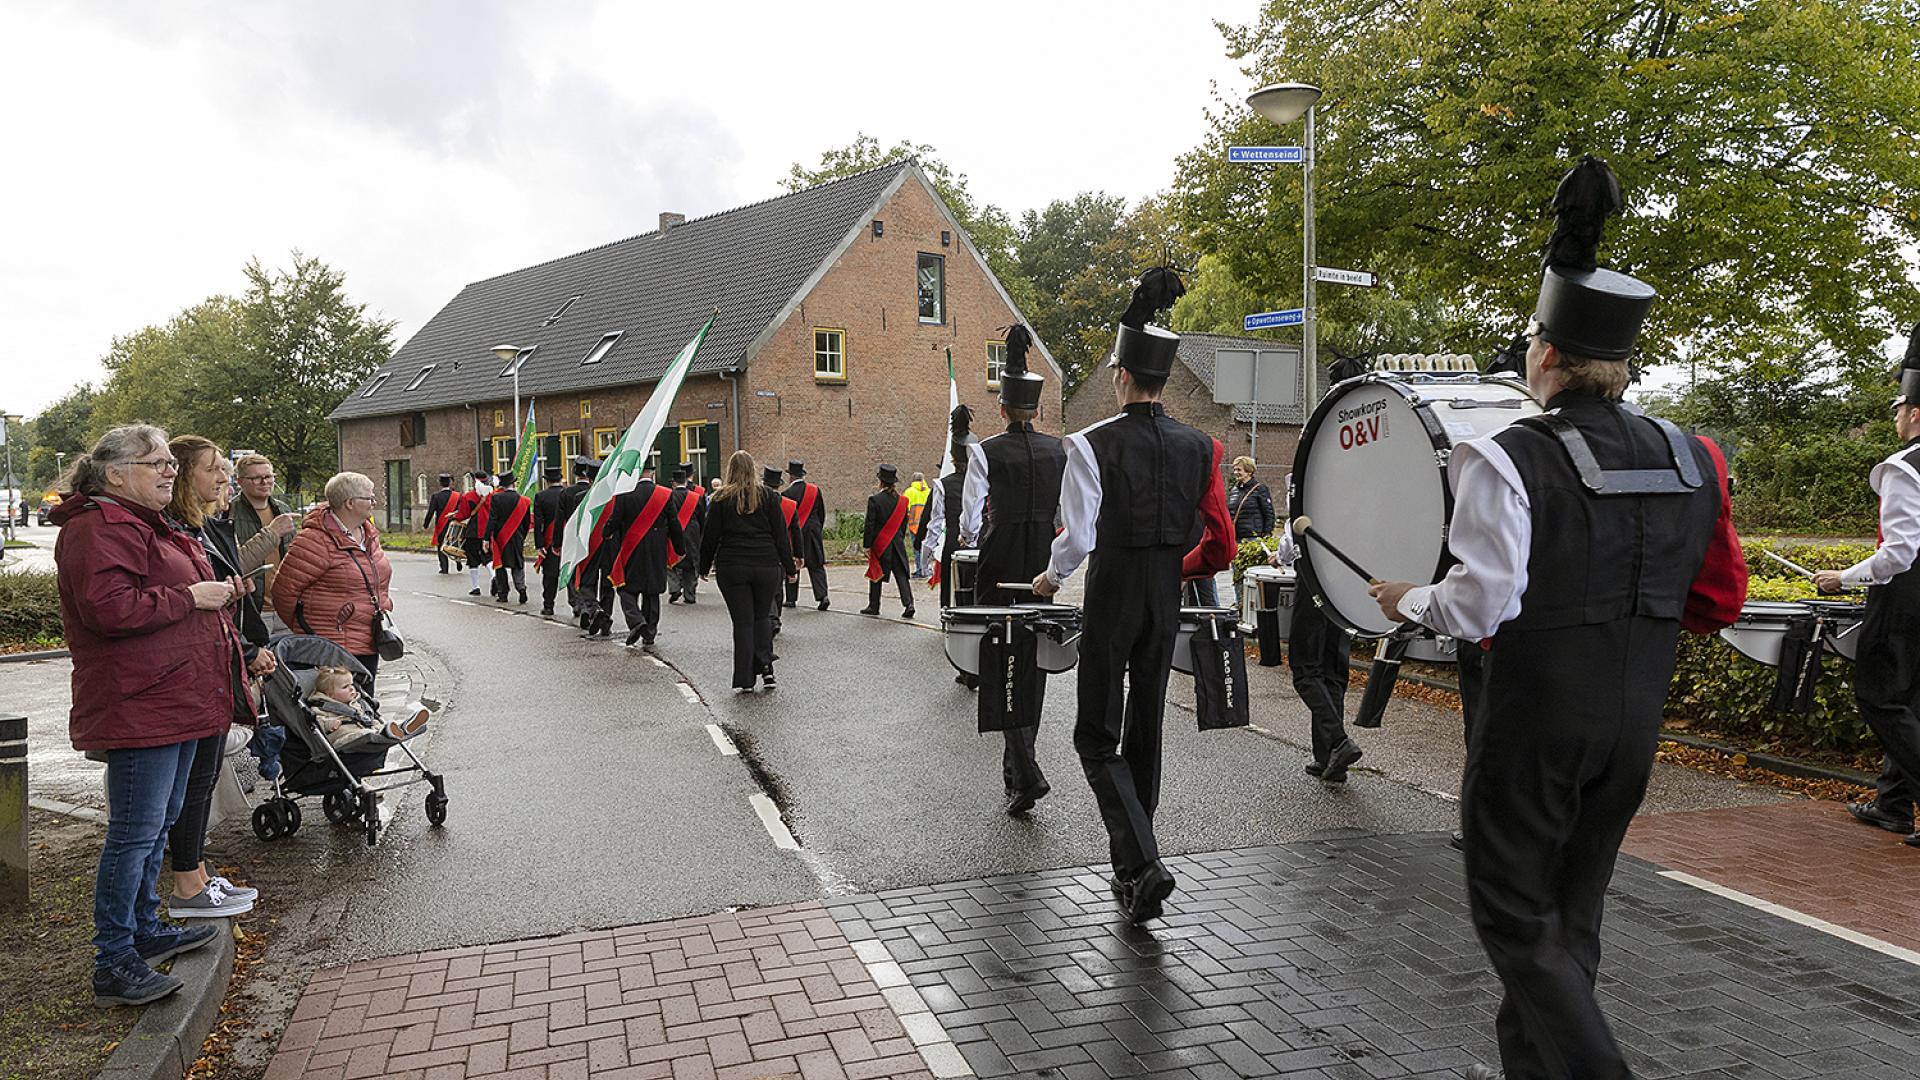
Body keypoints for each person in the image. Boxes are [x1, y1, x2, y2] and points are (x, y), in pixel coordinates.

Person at [1366, 158, 1747, 1080]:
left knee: (1510, 915)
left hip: (1536, 722)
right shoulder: (1694, 452)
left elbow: (1481, 604)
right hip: (1635, 725)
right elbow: (1719, 597)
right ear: (1620, 360)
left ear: (1543, 354)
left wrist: (1407, 600)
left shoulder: (1503, 457)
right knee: (1571, 922)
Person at [1032, 268, 1234, 923]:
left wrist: (1050, 576)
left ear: (1121, 374)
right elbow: (1220, 539)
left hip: (1115, 590)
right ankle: (1134, 873)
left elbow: (1081, 534)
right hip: (1167, 592)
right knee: (1146, 730)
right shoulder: (1202, 446)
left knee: (1095, 735)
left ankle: (1144, 864)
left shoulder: (1090, 445)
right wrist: (1185, 566)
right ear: (1164, 377)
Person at [53, 425, 241, 1006]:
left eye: (168, 461)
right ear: (115, 473)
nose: (169, 470)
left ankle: (143, 930)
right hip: (141, 703)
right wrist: (191, 597)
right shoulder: (96, 528)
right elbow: (109, 609)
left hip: (174, 698)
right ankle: (113, 960)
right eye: (156, 462)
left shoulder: (142, 524)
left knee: (158, 824)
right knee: (134, 833)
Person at [160, 437, 272, 922]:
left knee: (201, 779)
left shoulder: (205, 528)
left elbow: (217, 599)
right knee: (181, 789)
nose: (223, 478)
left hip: (217, 664)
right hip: (192, 672)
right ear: (186, 475)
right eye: (213, 470)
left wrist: (235, 602)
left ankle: (197, 876)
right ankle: (186, 883)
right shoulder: (174, 530)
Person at [1819, 320, 1920, 850]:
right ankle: (1894, 804)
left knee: (1880, 698)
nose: (1897, 419)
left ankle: (1902, 802)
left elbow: (1900, 552)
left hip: (1906, 596)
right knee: (1915, 700)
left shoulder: (1904, 468)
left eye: (1899, 410)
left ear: (1915, 413)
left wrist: (1844, 576)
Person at [961, 325, 1065, 815]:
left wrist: (966, 535)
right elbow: (1067, 516)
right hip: (1042, 557)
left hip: (1000, 555)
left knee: (999, 658)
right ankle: (1019, 768)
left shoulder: (984, 451)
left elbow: (969, 515)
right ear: (1038, 409)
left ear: (1002, 409)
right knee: (1034, 660)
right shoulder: (1059, 451)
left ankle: (1025, 771)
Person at [271, 471, 397, 679]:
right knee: (339, 708)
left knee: (364, 705)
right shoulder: (315, 541)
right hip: (329, 648)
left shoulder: (368, 535)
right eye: (369, 497)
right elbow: (283, 593)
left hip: (368, 640)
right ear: (350, 503)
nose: (374, 502)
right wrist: (306, 629)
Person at [1272, 501, 1363, 784]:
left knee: (1306, 669)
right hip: (1345, 585)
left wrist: (1279, 556)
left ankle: (1337, 741)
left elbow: (1290, 543)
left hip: (1313, 581)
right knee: (1333, 671)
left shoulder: (1307, 485)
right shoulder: (1351, 491)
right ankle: (1327, 758)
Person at [699, 451, 797, 690]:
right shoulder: (769, 497)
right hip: (765, 564)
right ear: (753, 469)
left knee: (742, 623)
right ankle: (766, 669)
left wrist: (703, 566)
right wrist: (790, 567)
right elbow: (781, 536)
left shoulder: (721, 499)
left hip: (732, 566)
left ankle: (745, 679)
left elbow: (710, 537)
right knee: (762, 617)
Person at [601, 463, 689, 648]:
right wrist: (680, 550)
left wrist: (606, 532)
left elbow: (614, 520)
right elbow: (674, 524)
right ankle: (649, 633)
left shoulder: (624, 493)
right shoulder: (665, 494)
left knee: (626, 588)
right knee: (652, 592)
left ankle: (635, 620)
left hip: (632, 548)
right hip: (656, 549)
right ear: (653, 473)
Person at [927, 407, 978, 613]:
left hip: (953, 542)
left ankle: (949, 620)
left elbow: (936, 522)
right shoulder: (982, 483)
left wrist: (928, 551)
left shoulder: (943, 485)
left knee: (949, 589)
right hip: (980, 542)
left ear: (953, 459)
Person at [306, 667, 429, 749]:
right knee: (364, 734)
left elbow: (365, 718)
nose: (352, 688)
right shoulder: (321, 706)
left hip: (366, 729)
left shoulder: (354, 703)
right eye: (345, 687)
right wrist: (329, 724)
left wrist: (374, 723)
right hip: (344, 738)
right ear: (328, 694)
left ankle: (402, 728)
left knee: (375, 728)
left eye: (351, 684)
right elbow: (317, 722)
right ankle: (388, 732)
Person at [861, 464, 916, 618]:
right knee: (901, 575)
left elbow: (869, 525)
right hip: (897, 544)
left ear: (881, 481)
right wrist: (897, 538)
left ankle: (874, 605)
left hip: (881, 544)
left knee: (876, 574)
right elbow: (903, 525)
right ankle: (909, 604)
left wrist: (867, 545)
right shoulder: (903, 501)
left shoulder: (874, 500)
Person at [1225, 457, 1275, 607]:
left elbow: (1269, 514)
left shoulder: (1259, 489)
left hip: (1252, 540)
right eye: (1234, 469)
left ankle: (1253, 606)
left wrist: (1265, 537)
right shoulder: (1234, 490)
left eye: (1239, 469)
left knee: (1252, 577)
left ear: (1249, 471)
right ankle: (1240, 604)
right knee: (1238, 575)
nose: (1236, 472)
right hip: (1237, 540)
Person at [556, 456, 599, 624]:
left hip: (573, 537)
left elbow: (560, 519)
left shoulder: (566, 493)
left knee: (574, 570)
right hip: (595, 538)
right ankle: (589, 604)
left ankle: (577, 603)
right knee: (591, 573)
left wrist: (557, 543)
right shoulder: (596, 492)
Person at [782, 460, 829, 610]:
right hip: (813, 533)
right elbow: (821, 513)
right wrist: (817, 529)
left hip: (796, 533)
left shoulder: (787, 494)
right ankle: (823, 596)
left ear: (790, 477)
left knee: (794, 564)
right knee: (816, 566)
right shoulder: (815, 490)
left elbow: (787, 517)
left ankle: (791, 598)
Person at [480, 470, 531, 604]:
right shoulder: (524, 501)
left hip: (500, 538)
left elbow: (492, 520)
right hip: (517, 537)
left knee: (500, 565)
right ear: (513, 484)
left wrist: (486, 538)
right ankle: (521, 588)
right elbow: (526, 523)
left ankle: (503, 594)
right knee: (518, 564)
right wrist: (522, 536)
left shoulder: (496, 498)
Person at [763, 465, 798, 637]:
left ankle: (772, 618)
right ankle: (775, 617)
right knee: (779, 585)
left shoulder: (759, 501)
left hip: (764, 549)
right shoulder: (789, 505)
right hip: (782, 550)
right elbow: (795, 531)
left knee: (767, 586)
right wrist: (798, 555)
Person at [666, 464, 707, 605]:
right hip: (693, 532)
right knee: (690, 563)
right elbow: (702, 517)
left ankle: (674, 587)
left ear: (674, 483)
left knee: (672, 562)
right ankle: (690, 594)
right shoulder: (696, 497)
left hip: (675, 531)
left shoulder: (669, 496)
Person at [531, 464, 568, 616]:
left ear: (546, 481)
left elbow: (539, 523)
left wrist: (539, 545)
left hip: (550, 540)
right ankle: (577, 604)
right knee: (570, 574)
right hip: (568, 538)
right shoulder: (568, 493)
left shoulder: (541, 496)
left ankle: (548, 605)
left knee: (550, 576)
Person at [456, 469, 493, 596]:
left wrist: (454, 517)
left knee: (472, 558)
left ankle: (475, 586)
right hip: (489, 530)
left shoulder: (468, 496)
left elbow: (463, 515)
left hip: (473, 531)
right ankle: (494, 576)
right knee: (488, 556)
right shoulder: (493, 495)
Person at [424, 473, 458, 574]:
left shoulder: (436, 496)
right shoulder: (457, 496)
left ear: (440, 483)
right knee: (455, 544)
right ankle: (457, 561)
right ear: (449, 483)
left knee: (441, 546)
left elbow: (431, 511)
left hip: (441, 525)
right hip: (454, 525)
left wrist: (426, 524)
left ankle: (444, 568)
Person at [905, 471, 931, 577]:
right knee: (927, 548)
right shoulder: (929, 491)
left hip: (914, 525)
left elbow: (905, 509)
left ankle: (920, 569)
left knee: (917, 548)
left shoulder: (909, 492)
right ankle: (927, 569)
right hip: (928, 525)